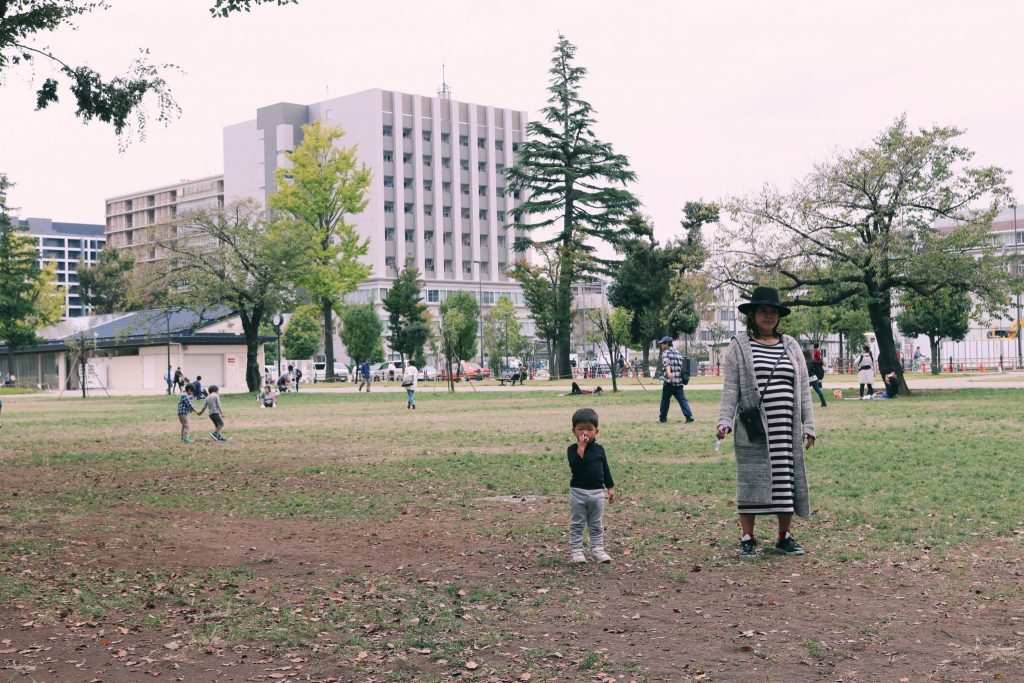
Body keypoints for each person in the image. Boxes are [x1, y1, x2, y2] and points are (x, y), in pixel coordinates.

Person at [715, 286, 817, 558]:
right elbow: (730, 389)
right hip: (754, 428)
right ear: (752, 315)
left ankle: (784, 536)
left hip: (786, 427)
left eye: (773, 312)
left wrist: (809, 424)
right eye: (763, 311)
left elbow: (804, 388)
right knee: (750, 481)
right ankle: (748, 537)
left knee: (786, 481)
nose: (768, 316)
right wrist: (724, 420)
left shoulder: (791, 345)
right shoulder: (739, 346)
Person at [567, 407, 616, 564]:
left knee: (596, 524)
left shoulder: (599, 449)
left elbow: (605, 468)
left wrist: (610, 487)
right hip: (578, 492)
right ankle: (577, 551)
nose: (585, 433)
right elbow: (575, 466)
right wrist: (581, 448)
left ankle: (597, 550)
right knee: (577, 524)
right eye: (580, 429)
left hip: (597, 493)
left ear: (597, 431)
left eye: (590, 429)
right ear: (573, 431)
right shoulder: (572, 449)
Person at [658, 336, 694, 424]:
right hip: (679, 382)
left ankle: (663, 418)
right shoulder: (678, 352)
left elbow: (667, 364)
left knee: (665, 400)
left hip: (669, 382)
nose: (661, 345)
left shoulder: (666, 353)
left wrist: (669, 372)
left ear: (666, 344)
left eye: (662, 343)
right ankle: (689, 416)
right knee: (682, 400)